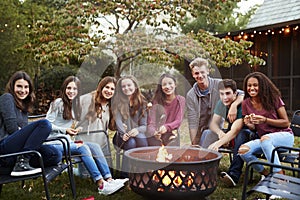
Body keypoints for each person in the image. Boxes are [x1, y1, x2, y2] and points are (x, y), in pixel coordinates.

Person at [46, 76, 126, 195]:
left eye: (75, 89)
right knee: (84, 171)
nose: (72, 91)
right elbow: (45, 125)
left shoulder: (73, 104)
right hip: (54, 142)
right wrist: (65, 130)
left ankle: (109, 180)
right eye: (69, 88)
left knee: (95, 146)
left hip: (67, 141)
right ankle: (101, 184)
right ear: (64, 89)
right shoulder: (58, 102)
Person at [0, 71, 60, 176]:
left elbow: (23, 132)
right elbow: (12, 129)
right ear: (12, 86)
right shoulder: (7, 98)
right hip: (4, 149)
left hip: (17, 151)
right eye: (19, 86)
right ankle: (21, 163)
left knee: (55, 154)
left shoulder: (24, 108)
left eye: (26, 87)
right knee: (44, 124)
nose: (23, 90)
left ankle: (21, 162)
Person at [239, 72, 294, 178]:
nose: (251, 88)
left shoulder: (273, 99)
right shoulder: (246, 103)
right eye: (249, 85)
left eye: (255, 85)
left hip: (284, 137)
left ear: (262, 86)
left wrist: (265, 120)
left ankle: (280, 177)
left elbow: (286, 122)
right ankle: (266, 175)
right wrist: (249, 124)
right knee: (243, 151)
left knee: (265, 140)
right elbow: (254, 128)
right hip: (265, 140)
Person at [185, 57, 244, 146]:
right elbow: (193, 121)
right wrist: (194, 143)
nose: (200, 76)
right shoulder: (191, 95)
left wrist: (234, 105)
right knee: (200, 149)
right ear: (193, 74)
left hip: (217, 126)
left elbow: (241, 94)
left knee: (209, 141)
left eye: (202, 72)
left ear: (208, 71)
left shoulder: (219, 84)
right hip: (201, 128)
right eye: (196, 73)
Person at [206, 79, 251, 187]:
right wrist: (220, 132)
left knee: (241, 135)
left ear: (235, 93)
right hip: (233, 132)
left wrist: (219, 143)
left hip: (249, 134)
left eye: (228, 93)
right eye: (222, 94)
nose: (225, 97)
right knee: (207, 133)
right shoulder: (222, 103)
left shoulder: (242, 105)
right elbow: (213, 123)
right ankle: (204, 169)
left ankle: (233, 175)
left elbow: (236, 130)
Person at [78, 76, 117, 176]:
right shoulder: (87, 99)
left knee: (107, 173)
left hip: (102, 146)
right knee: (85, 176)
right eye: (107, 87)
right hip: (85, 144)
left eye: (112, 89)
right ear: (101, 87)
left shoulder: (111, 105)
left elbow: (112, 126)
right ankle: (68, 170)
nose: (109, 91)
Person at [112, 75, 148, 177]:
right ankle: (125, 176)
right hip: (120, 137)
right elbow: (118, 122)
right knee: (131, 142)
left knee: (141, 137)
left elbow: (144, 126)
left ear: (135, 86)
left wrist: (137, 130)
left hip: (137, 135)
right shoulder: (118, 102)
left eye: (129, 85)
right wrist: (123, 133)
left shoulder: (142, 102)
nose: (126, 88)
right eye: (123, 86)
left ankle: (142, 171)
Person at [147, 73, 185, 146]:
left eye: (170, 83)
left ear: (175, 84)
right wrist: (154, 132)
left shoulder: (180, 100)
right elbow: (151, 122)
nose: (167, 86)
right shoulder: (156, 101)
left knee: (173, 144)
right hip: (157, 133)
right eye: (164, 84)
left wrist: (166, 127)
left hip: (171, 132)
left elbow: (178, 121)